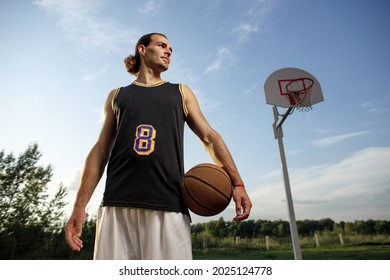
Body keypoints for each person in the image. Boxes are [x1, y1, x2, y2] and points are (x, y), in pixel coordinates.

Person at [65, 32, 252, 260]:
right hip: (117, 205)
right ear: (142, 49)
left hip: (168, 204)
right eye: (162, 45)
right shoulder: (117, 96)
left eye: (171, 49)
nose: (169, 51)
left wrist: (238, 182)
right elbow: (100, 150)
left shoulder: (180, 93)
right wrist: (79, 205)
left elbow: (209, 137)